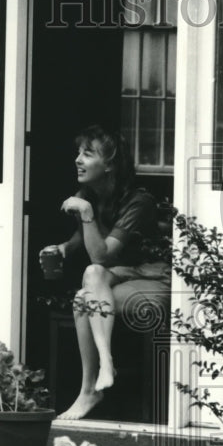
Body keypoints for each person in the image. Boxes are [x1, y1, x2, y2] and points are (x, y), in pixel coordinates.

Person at [40, 125, 170, 420]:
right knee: (93, 275)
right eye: (79, 152)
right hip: (120, 273)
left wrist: (86, 212)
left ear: (110, 164)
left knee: (82, 299)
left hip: (154, 279)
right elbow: (86, 238)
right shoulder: (90, 193)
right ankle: (106, 365)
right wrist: (65, 248)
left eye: (87, 154)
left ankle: (90, 389)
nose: (77, 159)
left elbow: (102, 252)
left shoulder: (140, 201)